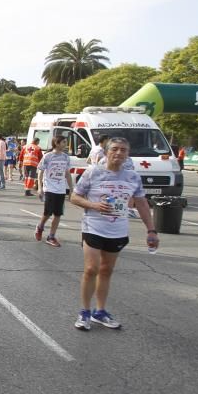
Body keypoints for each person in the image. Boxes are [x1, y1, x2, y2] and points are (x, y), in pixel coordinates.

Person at [70, 137, 158, 331]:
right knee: (91, 269)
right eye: (115, 149)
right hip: (93, 226)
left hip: (117, 229)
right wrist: (93, 205)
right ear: (107, 152)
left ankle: (100, 312)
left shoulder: (132, 177)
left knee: (106, 270)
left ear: (127, 154)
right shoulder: (93, 172)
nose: (119, 153)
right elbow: (74, 196)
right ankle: (84, 311)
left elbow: (142, 203)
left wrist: (151, 230)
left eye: (123, 150)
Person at [35, 135, 73, 247]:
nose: (65, 144)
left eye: (66, 142)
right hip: (49, 188)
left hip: (60, 189)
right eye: (64, 142)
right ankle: (40, 227)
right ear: (56, 143)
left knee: (58, 214)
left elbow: (67, 174)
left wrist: (71, 189)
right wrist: (40, 187)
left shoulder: (66, 157)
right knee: (48, 212)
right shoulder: (48, 156)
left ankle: (51, 236)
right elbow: (41, 172)